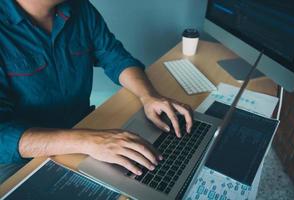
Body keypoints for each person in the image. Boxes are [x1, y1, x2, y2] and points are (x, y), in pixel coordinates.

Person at [0, 0, 193, 183]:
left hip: (85, 131)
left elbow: (113, 55)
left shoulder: (80, 7)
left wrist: (149, 96)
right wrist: (88, 141)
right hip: (22, 158)